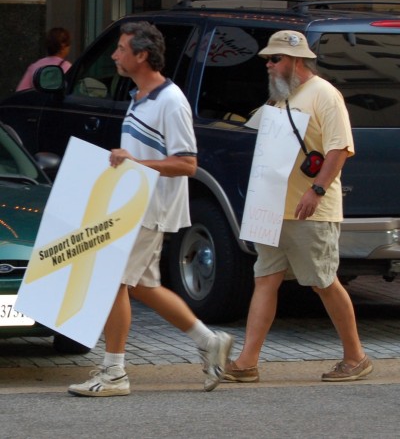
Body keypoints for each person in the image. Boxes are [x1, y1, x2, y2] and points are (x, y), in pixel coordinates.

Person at [68, 21, 233, 397]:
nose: (114, 55)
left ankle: (114, 374)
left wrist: (135, 165)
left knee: (112, 282)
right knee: (143, 286)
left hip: (149, 206)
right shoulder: (139, 96)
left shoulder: (170, 101)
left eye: (121, 49)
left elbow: (188, 163)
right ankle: (209, 341)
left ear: (141, 55)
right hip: (134, 205)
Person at [224, 30, 373, 384]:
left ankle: (356, 357)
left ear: (296, 60)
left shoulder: (323, 94)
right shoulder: (281, 100)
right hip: (274, 209)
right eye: (268, 60)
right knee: (265, 279)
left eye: (275, 59)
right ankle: (247, 362)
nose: (269, 66)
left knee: (323, 281)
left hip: (310, 210)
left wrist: (317, 190)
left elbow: (339, 149)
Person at [16, 27, 72, 91]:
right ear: (63, 46)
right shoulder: (67, 67)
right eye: (69, 45)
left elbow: (21, 91)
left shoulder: (34, 66)